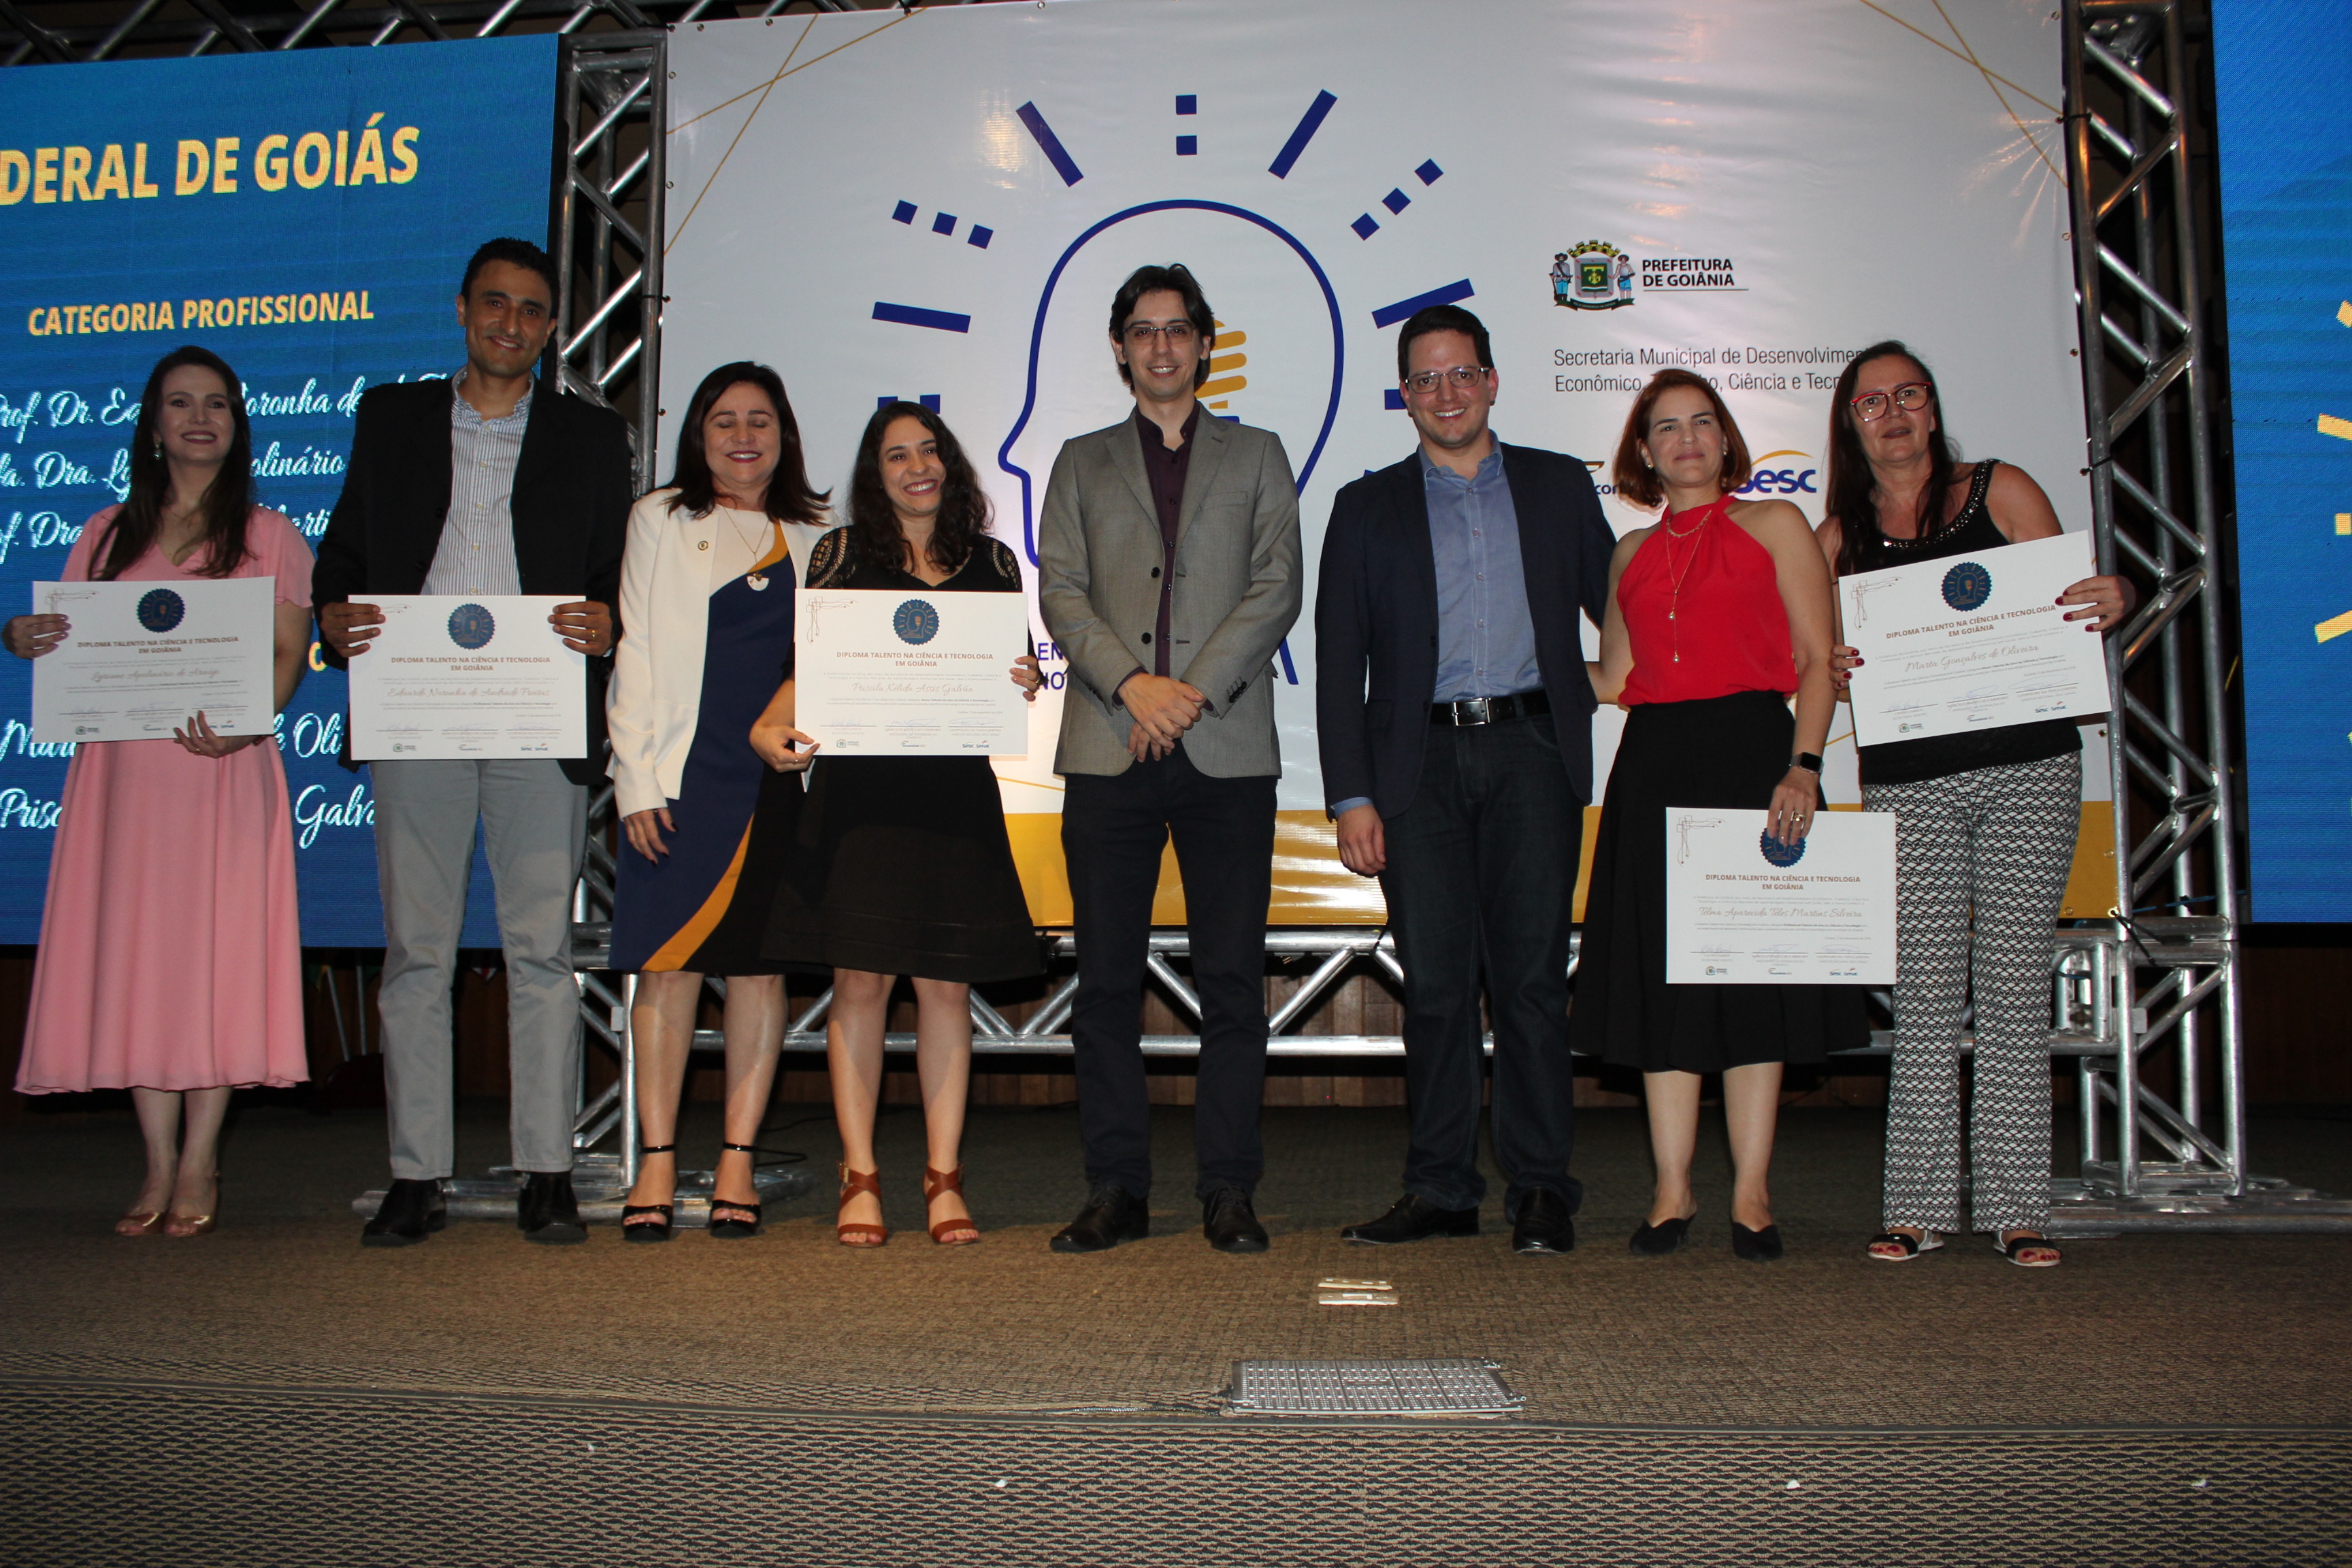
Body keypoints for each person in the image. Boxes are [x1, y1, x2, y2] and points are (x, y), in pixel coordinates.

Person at [315, 237, 632, 1247]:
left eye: (532, 311)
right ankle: (418, 1173)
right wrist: (331, 612)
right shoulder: (393, 416)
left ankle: (547, 1170)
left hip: (536, 710)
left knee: (540, 947)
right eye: (494, 305)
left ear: (551, 328)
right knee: (418, 950)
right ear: (462, 310)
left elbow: (615, 570)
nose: (510, 324)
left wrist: (608, 620)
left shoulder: (589, 435)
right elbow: (345, 552)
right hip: (417, 708)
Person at [1818, 342, 2135, 1270]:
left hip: (2030, 767)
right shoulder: (1838, 537)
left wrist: (2108, 597)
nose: (1894, 413)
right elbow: (1820, 669)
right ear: (1850, 424)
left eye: (1908, 394)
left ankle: (2018, 1211)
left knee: (2008, 989)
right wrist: (1835, 672)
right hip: (1908, 778)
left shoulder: (2002, 490)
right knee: (1922, 994)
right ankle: (1914, 1209)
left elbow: (2074, 602)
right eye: (1872, 402)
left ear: (1932, 405)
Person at [1315, 305, 1616, 1256]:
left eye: (1462, 373)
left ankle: (1539, 1190)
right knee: (1439, 986)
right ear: (1406, 396)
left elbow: (1629, 606)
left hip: (1534, 754)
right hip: (1420, 769)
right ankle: (1442, 1187)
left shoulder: (1561, 487)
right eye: (1426, 379)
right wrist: (1351, 795)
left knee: (1530, 982)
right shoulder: (1365, 508)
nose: (1446, 392)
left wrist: (1613, 679)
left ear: (1492, 381)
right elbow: (1337, 664)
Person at [7, 345, 315, 1238]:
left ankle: (200, 1159)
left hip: (225, 771)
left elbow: (288, 657)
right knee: (143, 959)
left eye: (216, 403)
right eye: (180, 404)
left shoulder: (272, 535)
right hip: (123, 781)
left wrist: (252, 721)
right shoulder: (104, 533)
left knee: (214, 959)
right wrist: (21, 634)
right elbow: (65, 641)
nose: (199, 419)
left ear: (237, 422)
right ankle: (152, 1159)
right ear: (153, 424)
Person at [1035, 262, 1303, 1254]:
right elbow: (1061, 590)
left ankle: (1228, 1188)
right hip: (1110, 747)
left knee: (1232, 980)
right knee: (1106, 982)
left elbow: (1277, 587)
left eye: (1178, 329)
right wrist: (1130, 688)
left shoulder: (1261, 454)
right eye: (1142, 330)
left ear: (1205, 341)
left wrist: (1182, 695)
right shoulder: (1079, 459)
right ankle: (1116, 1189)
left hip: (1226, 749)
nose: (1160, 346)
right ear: (1119, 346)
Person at [1573, 368, 1861, 1262]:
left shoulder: (1776, 525)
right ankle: (1671, 1192)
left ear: (1727, 439)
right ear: (1644, 452)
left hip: (1752, 761)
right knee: (1663, 986)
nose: (1687, 438)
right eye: (1666, 426)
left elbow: (1818, 660)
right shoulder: (1627, 554)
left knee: (1751, 982)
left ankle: (1751, 1193)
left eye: (1702, 422)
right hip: (1653, 766)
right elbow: (1615, 680)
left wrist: (1804, 767)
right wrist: (1512, 664)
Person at [766, 403, 1045, 1246]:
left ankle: (944, 1177)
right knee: (859, 986)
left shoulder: (992, 560)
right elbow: (806, 669)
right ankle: (860, 1176)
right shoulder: (840, 554)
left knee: (946, 988)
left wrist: (1023, 675)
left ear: (950, 465)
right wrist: (766, 725)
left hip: (954, 797)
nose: (916, 467)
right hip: (860, 800)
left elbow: (1015, 666)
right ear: (874, 472)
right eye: (897, 456)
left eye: (929, 452)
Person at [604, 363, 830, 1243]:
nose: (744, 437)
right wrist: (635, 781)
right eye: (725, 421)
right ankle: (656, 1161)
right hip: (678, 777)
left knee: (759, 972)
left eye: (761, 421)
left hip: (777, 787)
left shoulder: (819, 537)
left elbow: (834, 668)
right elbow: (637, 653)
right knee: (666, 969)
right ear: (699, 434)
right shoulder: (660, 519)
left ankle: (737, 1158)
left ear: (785, 434)